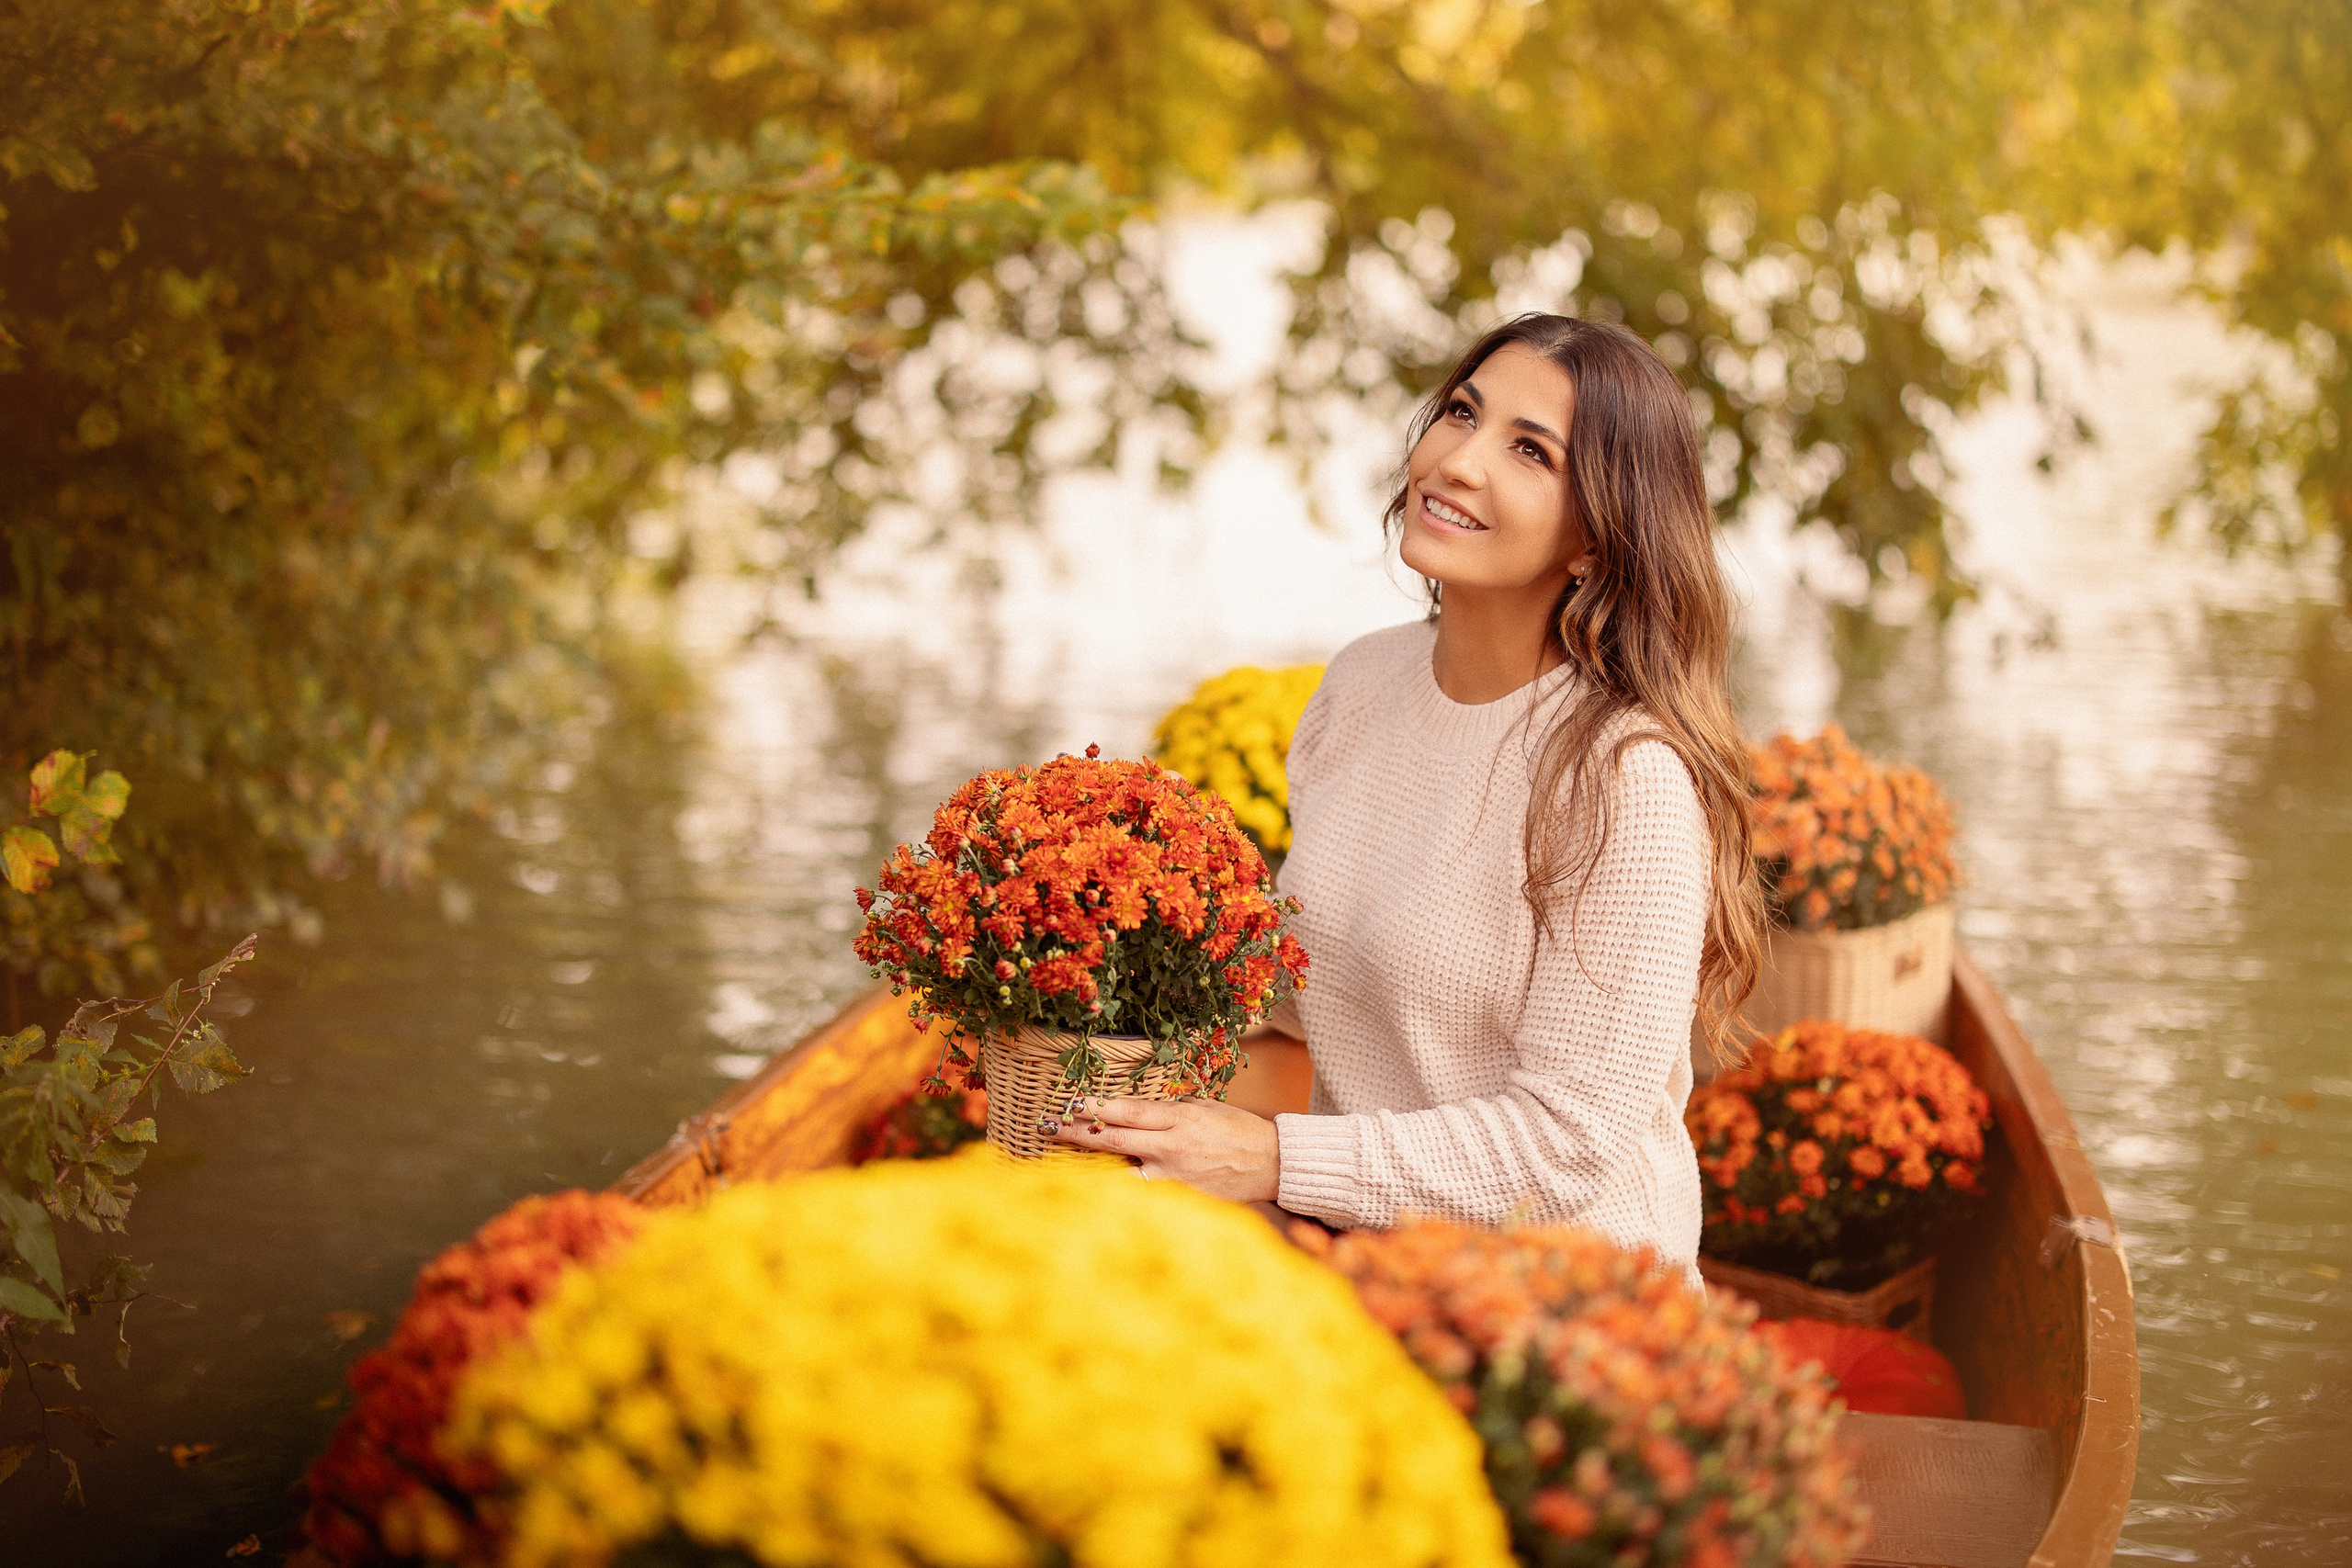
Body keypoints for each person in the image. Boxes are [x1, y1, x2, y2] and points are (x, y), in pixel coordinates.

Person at [1053, 313, 1762, 1275]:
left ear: (1597, 539)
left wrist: (1271, 1157)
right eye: (1462, 413)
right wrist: (1101, 957)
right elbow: (1338, 991)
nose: (1458, 462)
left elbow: (1564, 1145)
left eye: (1529, 451)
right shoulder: (1362, 684)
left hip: (1561, 1303)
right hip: (1365, 1259)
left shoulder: (1623, 776)